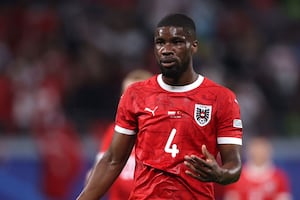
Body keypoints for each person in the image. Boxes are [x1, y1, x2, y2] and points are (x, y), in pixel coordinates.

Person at [77, 13, 243, 200]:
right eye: (160, 42)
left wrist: (221, 174)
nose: (166, 49)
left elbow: (234, 164)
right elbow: (113, 160)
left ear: (194, 46)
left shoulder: (221, 98)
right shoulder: (135, 94)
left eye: (176, 42)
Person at [87, 69, 153, 200]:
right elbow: (99, 173)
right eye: (125, 95)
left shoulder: (163, 134)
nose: (130, 102)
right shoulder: (114, 132)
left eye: (137, 96)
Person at [222, 136, 292, 200]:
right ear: (249, 151)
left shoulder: (279, 177)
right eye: (256, 148)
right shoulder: (236, 176)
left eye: (262, 148)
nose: (259, 152)